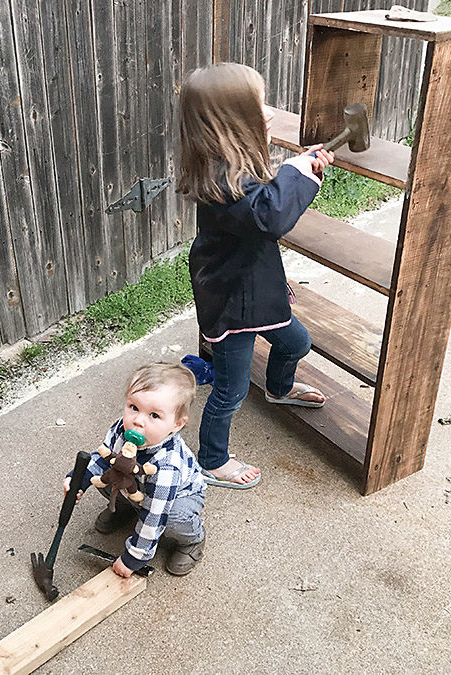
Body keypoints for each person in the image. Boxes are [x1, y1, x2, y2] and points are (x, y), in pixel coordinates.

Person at [177, 62, 334, 489]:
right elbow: (270, 216)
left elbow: (266, 196)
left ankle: (279, 388)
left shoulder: (228, 162)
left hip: (256, 287)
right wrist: (296, 173)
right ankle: (211, 459)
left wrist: (298, 168)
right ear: (228, 125)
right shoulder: (219, 178)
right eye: (256, 106)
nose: (268, 112)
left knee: (297, 342)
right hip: (233, 300)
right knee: (230, 390)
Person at [64, 363, 206, 576]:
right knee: (107, 476)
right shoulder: (123, 429)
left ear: (177, 424)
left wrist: (133, 558)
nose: (138, 421)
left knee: (173, 519)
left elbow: (154, 515)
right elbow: (104, 458)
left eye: (154, 416)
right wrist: (79, 480)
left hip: (177, 498)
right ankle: (125, 507)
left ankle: (194, 539)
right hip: (138, 487)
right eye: (134, 407)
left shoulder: (167, 466)